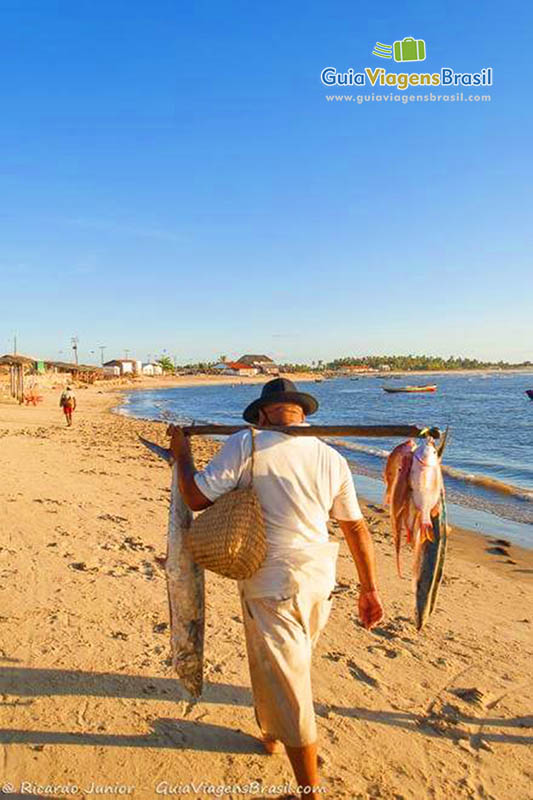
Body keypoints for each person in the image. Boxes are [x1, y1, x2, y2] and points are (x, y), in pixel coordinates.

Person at [168, 378, 384, 796]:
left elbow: (196, 498)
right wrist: (369, 587)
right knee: (279, 666)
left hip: (271, 581)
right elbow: (354, 525)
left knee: (292, 685)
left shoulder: (245, 443)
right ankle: (270, 733)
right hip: (320, 579)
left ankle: (309, 792)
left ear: (264, 413)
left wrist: (182, 455)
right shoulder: (331, 457)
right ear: (299, 412)